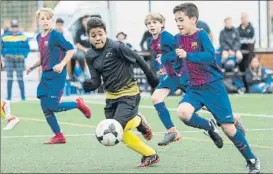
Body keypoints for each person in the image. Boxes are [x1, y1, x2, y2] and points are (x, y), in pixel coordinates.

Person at [160, 3, 260, 173]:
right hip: (194, 88)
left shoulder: (202, 35)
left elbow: (210, 56)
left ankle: (252, 160)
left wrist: (188, 55)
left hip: (213, 87)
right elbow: (177, 61)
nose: (178, 23)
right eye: (176, 20)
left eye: (181, 19)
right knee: (183, 112)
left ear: (193, 19)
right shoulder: (177, 38)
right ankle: (209, 126)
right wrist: (174, 70)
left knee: (229, 129)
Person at [82, 17, 160, 167]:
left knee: (116, 127)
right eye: (93, 35)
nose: (98, 38)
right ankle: (149, 153)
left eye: (100, 34)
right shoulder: (89, 55)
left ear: (105, 33)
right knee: (118, 132)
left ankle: (138, 122)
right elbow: (96, 81)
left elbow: (138, 59)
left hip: (128, 93)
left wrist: (152, 78)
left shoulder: (117, 47)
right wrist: (90, 85)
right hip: (111, 97)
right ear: (89, 37)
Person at [26, 8, 91, 144]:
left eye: (48, 18)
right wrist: (32, 67)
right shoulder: (39, 37)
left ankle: (77, 104)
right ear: (38, 21)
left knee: (53, 106)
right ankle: (59, 136)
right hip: (45, 76)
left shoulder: (56, 35)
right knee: (45, 106)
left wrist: (62, 64)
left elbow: (71, 49)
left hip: (57, 75)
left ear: (53, 20)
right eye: (42, 18)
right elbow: (44, 58)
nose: (45, 21)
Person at [144, 12, 181, 146]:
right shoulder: (151, 40)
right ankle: (172, 131)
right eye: (149, 23)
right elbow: (156, 56)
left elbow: (178, 52)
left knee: (204, 104)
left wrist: (164, 59)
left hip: (182, 74)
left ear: (162, 24)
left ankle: (233, 119)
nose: (151, 25)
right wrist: (157, 67)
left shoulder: (167, 37)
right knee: (156, 98)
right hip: (171, 76)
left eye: (154, 22)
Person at [1, 19, 30, 101]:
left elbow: (27, 48)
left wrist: (24, 55)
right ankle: (9, 97)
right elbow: (1, 47)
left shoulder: (23, 36)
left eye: (15, 27)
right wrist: (4, 55)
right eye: (13, 27)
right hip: (9, 59)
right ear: (11, 27)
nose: (14, 29)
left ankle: (23, 97)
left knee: (20, 78)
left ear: (18, 27)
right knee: (9, 78)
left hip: (20, 60)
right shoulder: (5, 36)